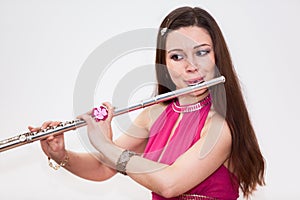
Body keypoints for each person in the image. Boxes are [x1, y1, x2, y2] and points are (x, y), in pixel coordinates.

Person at [29, 6, 265, 200]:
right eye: (177, 56)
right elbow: (103, 167)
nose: (191, 65)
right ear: (164, 63)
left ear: (217, 56)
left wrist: (105, 144)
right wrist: (60, 154)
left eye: (201, 52)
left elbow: (169, 185)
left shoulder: (221, 127)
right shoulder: (155, 114)